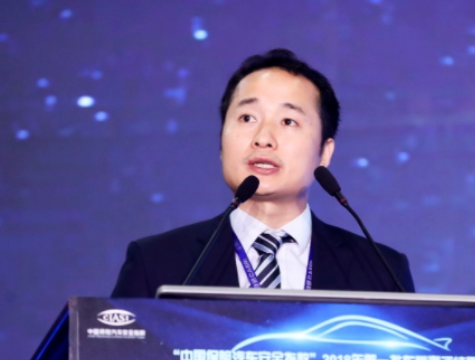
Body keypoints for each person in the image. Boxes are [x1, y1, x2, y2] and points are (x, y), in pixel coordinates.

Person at [111, 49, 414, 297]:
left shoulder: (381, 271)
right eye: (247, 118)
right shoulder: (156, 263)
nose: (263, 138)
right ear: (221, 142)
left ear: (324, 152)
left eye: (288, 121)